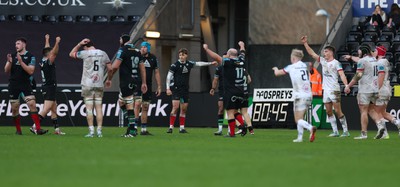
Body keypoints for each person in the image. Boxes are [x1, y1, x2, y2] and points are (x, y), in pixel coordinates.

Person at [345, 45, 400, 139]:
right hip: (376, 90)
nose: (374, 51)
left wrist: (348, 86)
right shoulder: (375, 61)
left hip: (369, 89)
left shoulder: (378, 61)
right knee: (375, 111)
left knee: (365, 111)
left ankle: (365, 133)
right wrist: (351, 57)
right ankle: (382, 127)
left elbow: (359, 74)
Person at [302, 35, 350, 137]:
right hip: (326, 90)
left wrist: (346, 85)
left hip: (334, 89)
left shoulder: (336, 63)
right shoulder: (323, 61)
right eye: (324, 52)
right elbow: (312, 53)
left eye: (326, 51)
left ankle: (346, 131)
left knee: (338, 111)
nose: (324, 53)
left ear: (331, 52)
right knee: (329, 111)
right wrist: (305, 43)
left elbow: (342, 74)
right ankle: (335, 131)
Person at [203, 43, 251, 137]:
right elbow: (242, 52)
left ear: (228, 55)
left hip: (231, 91)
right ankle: (242, 125)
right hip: (241, 91)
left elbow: (217, 57)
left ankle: (232, 133)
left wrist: (207, 49)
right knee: (235, 111)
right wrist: (242, 45)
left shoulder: (228, 62)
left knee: (230, 112)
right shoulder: (242, 60)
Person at [270, 49, 316, 142]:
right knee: (301, 118)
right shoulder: (305, 65)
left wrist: (275, 69)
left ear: (293, 57)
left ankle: (310, 127)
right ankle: (300, 138)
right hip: (309, 95)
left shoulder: (291, 67)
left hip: (299, 95)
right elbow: (310, 65)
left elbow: (277, 73)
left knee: (297, 119)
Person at [166, 48, 217, 133]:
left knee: (184, 109)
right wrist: (168, 88)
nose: (181, 57)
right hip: (176, 89)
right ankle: (171, 127)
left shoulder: (189, 64)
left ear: (186, 55)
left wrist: (211, 63)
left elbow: (199, 64)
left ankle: (182, 128)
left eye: (183, 55)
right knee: (175, 108)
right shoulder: (174, 65)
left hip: (185, 89)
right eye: (180, 55)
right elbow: (168, 77)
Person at [4, 37, 48, 135]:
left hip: (25, 84)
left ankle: (38, 129)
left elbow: (30, 71)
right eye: (15, 44)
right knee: (15, 108)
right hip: (14, 85)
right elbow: (6, 70)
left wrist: (21, 62)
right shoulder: (12, 55)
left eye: (18, 44)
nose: (16, 46)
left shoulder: (31, 56)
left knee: (32, 105)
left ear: (24, 45)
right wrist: (10, 62)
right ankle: (18, 130)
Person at [69, 38, 112, 137]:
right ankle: (100, 131)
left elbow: (71, 54)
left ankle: (91, 131)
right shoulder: (103, 53)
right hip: (99, 84)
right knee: (99, 108)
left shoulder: (85, 53)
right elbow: (110, 68)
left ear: (85, 46)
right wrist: (109, 79)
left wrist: (79, 43)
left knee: (89, 108)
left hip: (87, 84)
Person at [106, 34, 147, 137]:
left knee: (128, 105)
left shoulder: (123, 50)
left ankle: (132, 130)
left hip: (126, 81)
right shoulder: (138, 51)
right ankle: (131, 126)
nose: (119, 40)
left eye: (120, 39)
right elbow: (142, 68)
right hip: (135, 80)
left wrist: (109, 78)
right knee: (121, 102)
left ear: (123, 40)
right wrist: (144, 82)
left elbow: (114, 67)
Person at [30, 34, 65, 135]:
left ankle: (57, 130)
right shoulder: (48, 62)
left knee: (54, 108)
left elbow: (47, 49)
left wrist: (47, 39)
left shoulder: (43, 60)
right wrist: (57, 42)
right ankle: (34, 127)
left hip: (47, 87)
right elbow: (54, 53)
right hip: (49, 87)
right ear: (48, 55)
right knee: (46, 109)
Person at [136, 41, 161, 135]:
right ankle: (133, 128)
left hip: (148, 86)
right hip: (137, 85)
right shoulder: (137, 56)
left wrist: (159, 86)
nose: (142, 48)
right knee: (137, 105)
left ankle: (143, 129)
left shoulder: (153, 58)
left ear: (148, 49)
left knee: (145, 107)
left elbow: (157, 72)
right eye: (141, 47)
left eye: (145, 47)